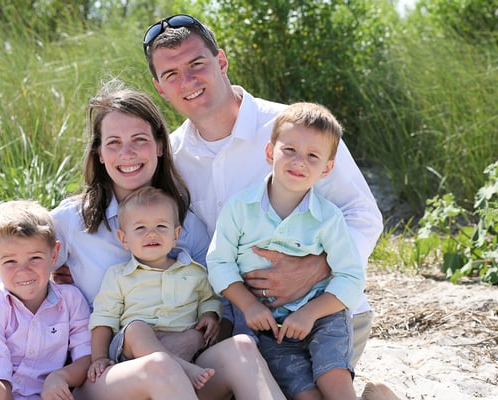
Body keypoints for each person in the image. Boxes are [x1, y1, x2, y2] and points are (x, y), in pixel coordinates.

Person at [0, 80, 286, 400]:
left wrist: (199, 336)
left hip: (189, 361)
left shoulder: (185, 223)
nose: (128, 154)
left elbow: (220, 301)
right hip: (106, 371)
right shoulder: (72, 221)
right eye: (114, 144)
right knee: (158, 366)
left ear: (161, 146)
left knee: (241, 347)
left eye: (139, 140)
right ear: (100, 154)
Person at [143, 13, 383, 366]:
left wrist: (318, 267)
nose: (188, 80)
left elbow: (363, 214)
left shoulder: (294, 130)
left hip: (325, 320)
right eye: (171, 74)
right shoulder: (173, 158)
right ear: (160, 88)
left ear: (221, 62)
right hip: (241, 325)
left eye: (197, 64)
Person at [207, 103, 365, 399]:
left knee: (336, 383)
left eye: (313, 156)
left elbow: (351, 277)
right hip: (268, 327)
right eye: (289, 149)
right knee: (305, 395)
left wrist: (309, 313)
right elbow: (219, 262)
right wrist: (249, 305)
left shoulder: (328, 219)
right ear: (270, 152)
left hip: (322, 316)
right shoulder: (240, 209)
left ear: (326, 168)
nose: (299, 161)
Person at [0, 200, 92, 400]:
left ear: (54, 254)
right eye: (10, 261)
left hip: (47, 393)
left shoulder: (71, 300)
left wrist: (61, 376)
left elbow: (85, 356)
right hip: (0, 392)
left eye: (35, 258)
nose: (23, 271)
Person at [88, 186, 222, 391]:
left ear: (175, 234)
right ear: (124, 239)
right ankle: (182, 368)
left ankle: (179, 365)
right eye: (140, 228)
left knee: (196, 336)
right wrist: (99, 357)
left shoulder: (194, 271)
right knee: (136, 328)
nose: (151, 234)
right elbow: (104, 318)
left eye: (161, 226)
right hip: (134, 354)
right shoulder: (119, 276)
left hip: (184, 345)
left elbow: (209, 299)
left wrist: (210, 314)